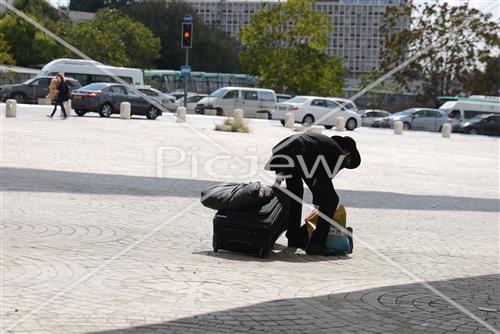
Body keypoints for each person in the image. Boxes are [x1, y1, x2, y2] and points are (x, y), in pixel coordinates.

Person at [265, 133, 361, 255]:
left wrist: (279, 178)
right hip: (304, 154)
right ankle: (316, 244)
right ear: (348, 153)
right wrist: (319, 200)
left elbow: (294, 149)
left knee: (295, 194)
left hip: (285, 148)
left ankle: (293, 237)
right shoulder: (339, 155)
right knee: (331, 200)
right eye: (348, 160)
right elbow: (323, 180)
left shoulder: (323, 144)